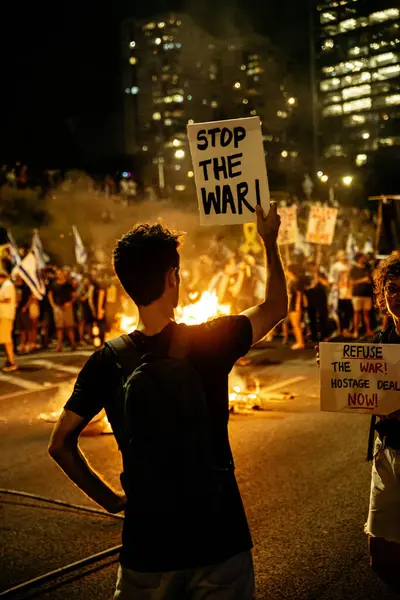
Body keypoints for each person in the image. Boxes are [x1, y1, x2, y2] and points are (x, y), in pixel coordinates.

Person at [48, 202, 287, 600]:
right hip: (219, 538)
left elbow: (60, 444)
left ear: (126, 284)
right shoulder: (210, 340)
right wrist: (269, 240)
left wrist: (111, 500)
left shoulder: (107, 361)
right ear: (173, 276)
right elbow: (276, 307)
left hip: (147, 549)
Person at [363, 253, 400, 593]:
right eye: (391, 288)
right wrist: (332, 369)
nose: (397, 295)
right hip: (386, 452)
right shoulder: (381, 342)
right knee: (381, 555)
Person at [48, 269, 77, 352]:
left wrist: (70, 303)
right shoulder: (53, 285)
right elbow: (50, 295)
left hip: (67, 307)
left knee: (70, 327)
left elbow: (74, 295)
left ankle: (73, 344)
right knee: (59, 328)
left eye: (61, 274)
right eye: (58, 274)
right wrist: (53, 305)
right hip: (58, 308)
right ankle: (59, 346)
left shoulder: (68, 284)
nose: (59, 275)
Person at [304, 261, 330, 342]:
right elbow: (304, 288)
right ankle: (313, 335)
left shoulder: (321, 275)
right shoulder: (306, 276)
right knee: (312, 318)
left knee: (323, 317)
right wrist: (312, 285)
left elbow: (327, 284)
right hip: (311, 298)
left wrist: (319, 279)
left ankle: (324, 335)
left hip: (321, 298)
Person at [350, 252, 374, 338]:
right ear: (358, 258)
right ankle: (355, 331)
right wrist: (363, 280)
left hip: (367, 294)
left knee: (366, 313)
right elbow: (352, 282)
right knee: (356, 313)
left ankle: (368, 330)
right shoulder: (354, 269)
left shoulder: (367, 268)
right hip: (357, 294)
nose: (364, 259)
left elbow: (371, 279)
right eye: (362, 257)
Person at [330, 250, 353, 337]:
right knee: (338, 312)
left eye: (344, 254)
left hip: (348, 292)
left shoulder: (349, 266)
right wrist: (338, 285)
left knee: (348, 312)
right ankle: (339, 329)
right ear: (338, 256)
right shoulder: (335, 266)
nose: (344, 256)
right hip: (338, 293)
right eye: (341, 255)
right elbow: (332, 279)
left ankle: (345, 329)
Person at [0, 270, 17, 371]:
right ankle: (9, 360)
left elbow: (7, 299)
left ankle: (11, 362)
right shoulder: (6, 285)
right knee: (6, 339)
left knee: (7, 339)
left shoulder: (7, 285)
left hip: (6, 315)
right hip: (4, 315)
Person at [286, 263, 305, 350]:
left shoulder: (296, 281)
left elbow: (299, 294)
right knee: (294, 325)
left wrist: (298, 306)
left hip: (295, 305)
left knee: (296, 325)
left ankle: (300, 343)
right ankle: (299, 341)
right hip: (291, 305)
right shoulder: (291, 281)